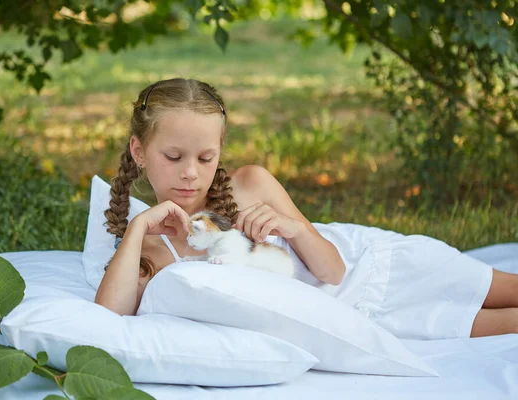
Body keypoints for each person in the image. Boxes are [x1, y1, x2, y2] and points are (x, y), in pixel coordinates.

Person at [95, 77, 518, 339]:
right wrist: (135, 230)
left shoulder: (250, 184)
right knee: (494, 326)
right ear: (139, 150)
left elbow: (334, 271)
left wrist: (292, 229)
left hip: (372, 267)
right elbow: (105, 320)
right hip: (352, 323)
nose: (190, 173)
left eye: (205, 158)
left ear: (219, 150)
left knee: (507, 290)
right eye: (174, 157)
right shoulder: (150, 250)